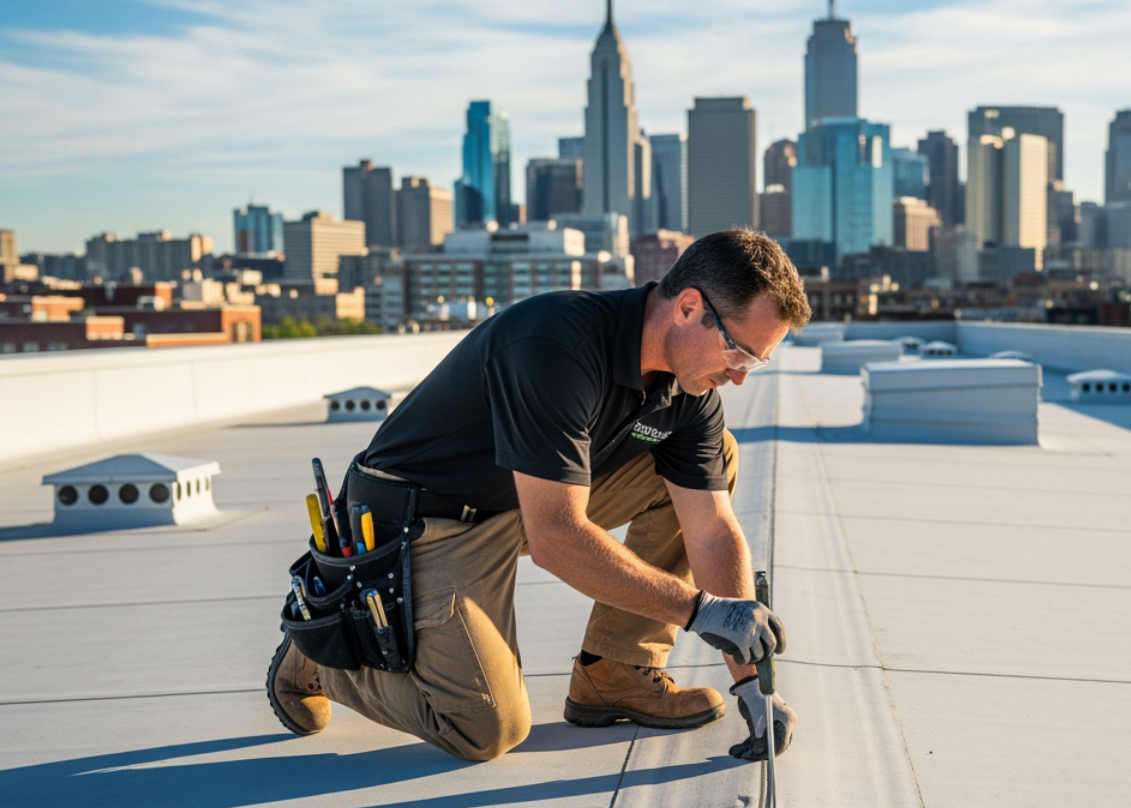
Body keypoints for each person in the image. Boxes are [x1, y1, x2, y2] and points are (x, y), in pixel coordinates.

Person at [266, 229, 809, 762]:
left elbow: (711, 531)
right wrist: (699, 610)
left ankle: (615, 671)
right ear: (688, 307)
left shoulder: (689, 391)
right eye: (738, 351)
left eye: (754, 362)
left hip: (522, 502)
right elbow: (556, 538)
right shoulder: (556, 345)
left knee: (718, 459)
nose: (738, 376)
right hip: (424, 520)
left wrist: (753, 687)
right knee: (487, 729)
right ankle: (321, 658)